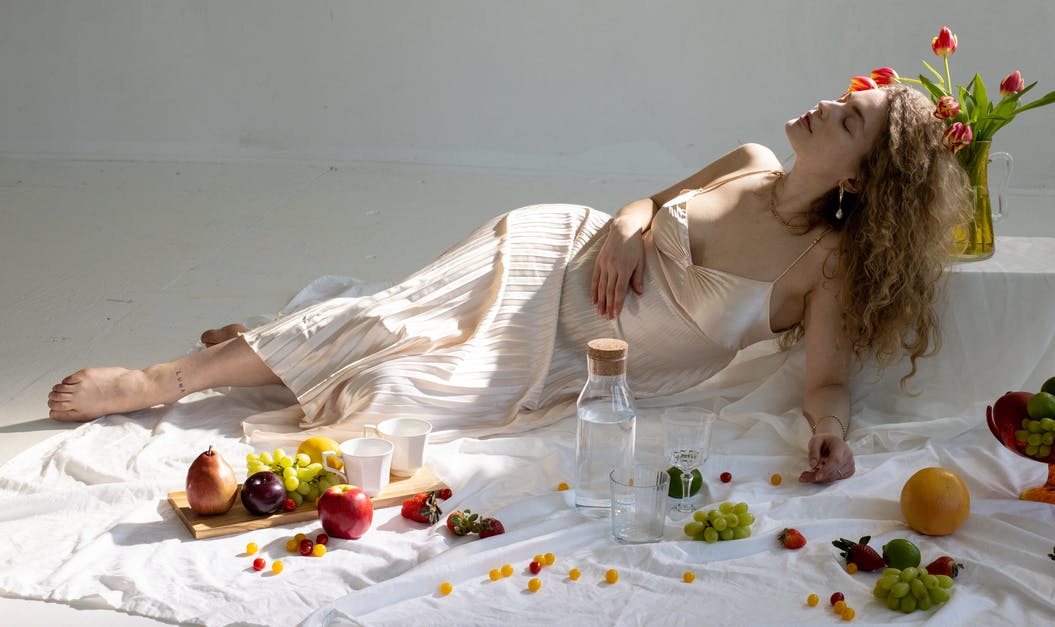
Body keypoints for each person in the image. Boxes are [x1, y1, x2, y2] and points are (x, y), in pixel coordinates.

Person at [46, 83, 967, 483]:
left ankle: (280, 337)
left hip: (576, 353)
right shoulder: (751, 158)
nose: (822, 105)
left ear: (859, 177)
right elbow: (645, 205)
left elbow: (824, 380)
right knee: (381, 317)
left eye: (847, 118)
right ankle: (161, 380)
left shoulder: (826, 266)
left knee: (382, 396)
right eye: (842, 95)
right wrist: (624, 224)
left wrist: (831, 436)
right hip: (547, 253)